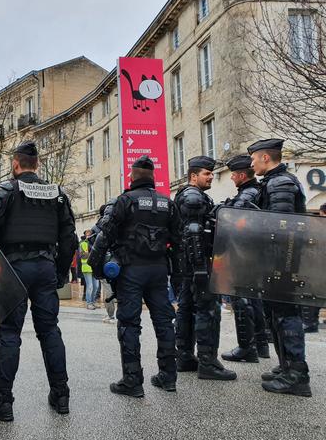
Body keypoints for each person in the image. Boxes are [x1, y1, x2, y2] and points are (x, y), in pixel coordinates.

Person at [0, 141, 77, 421]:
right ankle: (61, 395)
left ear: (15, 164)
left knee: (10, 334)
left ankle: (1, 401)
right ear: (38, 165)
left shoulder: (4, 192)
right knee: (50, 331)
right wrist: (58, 271)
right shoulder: (56, 194)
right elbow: (69, 238)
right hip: (45, 268)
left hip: (14, 270)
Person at [89, 155, 182, 396]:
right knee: (164, 321)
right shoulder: (167, 203)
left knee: (129, 323)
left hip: (131, 270)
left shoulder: (125, 201)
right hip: (159, 270)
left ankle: (132, 380)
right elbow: (179, 241)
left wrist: (97, 266)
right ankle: (168, 376)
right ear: (153, 177)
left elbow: (105, 235)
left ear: (132, 176)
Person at [248, 138, 311, 396]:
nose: (251, 163)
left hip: (282, 263)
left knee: (286, 315)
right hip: (276, 263)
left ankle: (297, 374)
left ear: (266, 157)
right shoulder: (274, 182)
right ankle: (287, 366)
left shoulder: (280, 183)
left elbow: (281, 229)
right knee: (276, 314)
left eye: (254, 158)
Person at [173, 156, 237, 381]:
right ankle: (208, 362)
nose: (211, 177)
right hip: (198, 265)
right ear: (193, 176)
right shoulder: (193, 197)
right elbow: (193, 234)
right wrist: (201, 268)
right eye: (206, 174)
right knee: (208, 311)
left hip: (190, 266)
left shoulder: (189, 196)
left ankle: (184, 356)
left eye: (211, 173)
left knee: (187, 309)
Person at [220, 155, 270, 362]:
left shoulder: (247, 195)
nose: (231, 178)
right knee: (255, 301)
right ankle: (261, 345)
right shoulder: (256, 191)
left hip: (244, 254)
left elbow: (235, 223)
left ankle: (247, 348)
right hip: (255, 255)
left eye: (233, 174)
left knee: (242, 301)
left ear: (241, 175)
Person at [80, 230, 97, 309]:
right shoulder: (83, 244)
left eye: (90, 234)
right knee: (90, 286)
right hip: (86, 267)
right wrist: (92, 253)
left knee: (96, 286)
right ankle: (89, 303)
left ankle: (93, 302)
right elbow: (83, 255)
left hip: (94, 268)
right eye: (87, 234)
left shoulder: (94, 244)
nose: (89, 236)